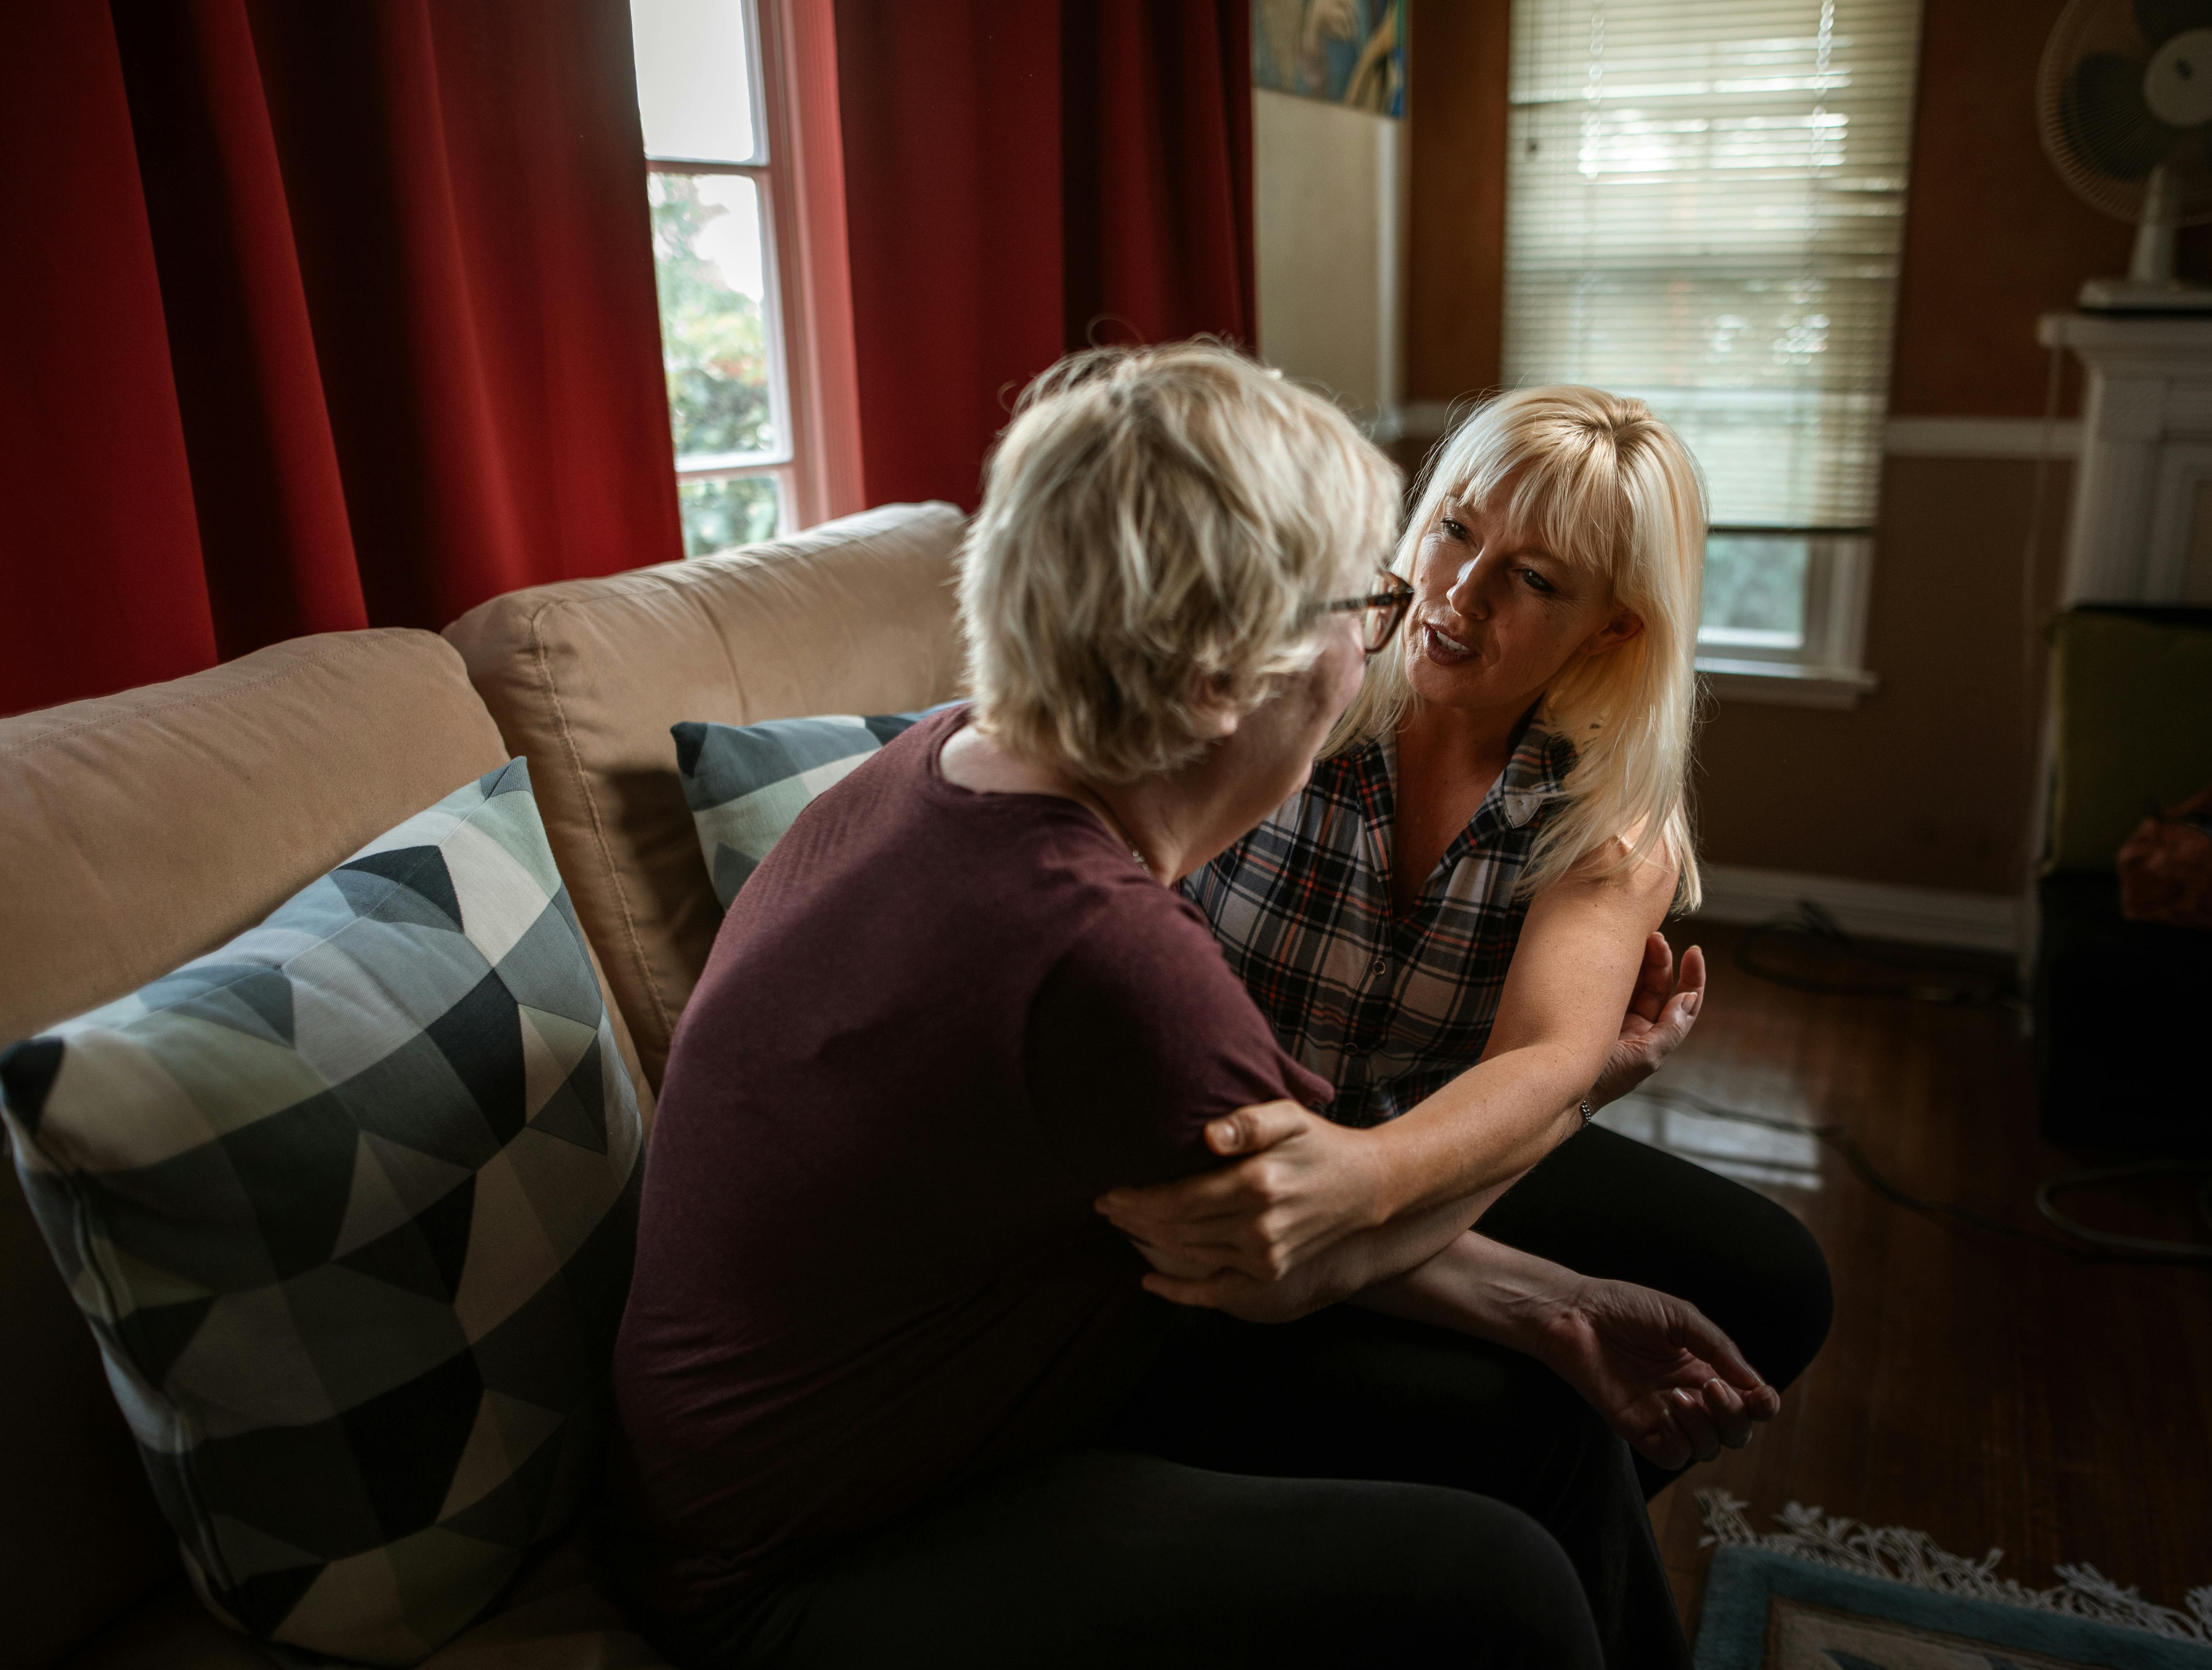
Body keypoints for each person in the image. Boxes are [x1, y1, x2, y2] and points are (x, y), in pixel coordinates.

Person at [603, 345, 1776, 1670]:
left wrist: (1554, 1300)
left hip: (904, 1427)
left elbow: (1275, 1216)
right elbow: (1303, 1257)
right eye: (1364, 601)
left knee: (1546, 1435)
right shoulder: (1111, 957)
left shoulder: (936, 765)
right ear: (1230, 677)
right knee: (1494, 1582)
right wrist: (1570, 1159)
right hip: (816, 1560)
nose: (1399, 621)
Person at [1103, 386, 1834, 1498]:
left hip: (1412, 1134)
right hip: (1200, 1123)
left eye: (1533, 579)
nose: (1458, 591)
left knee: (1773, 1282)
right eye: (1454, 527)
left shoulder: (1602, 813)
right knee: (1550, 1427)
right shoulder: (1287, 678)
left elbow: (1538, 1062)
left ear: (1613, 627)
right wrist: (1575, 1099)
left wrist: (1373, 1177)